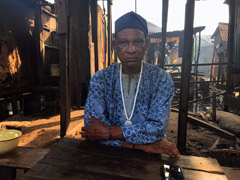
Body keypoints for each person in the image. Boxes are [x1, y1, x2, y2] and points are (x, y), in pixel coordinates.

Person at [82, 11, 180, 158]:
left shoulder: (161, 79)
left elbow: (156, 129)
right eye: (124, 42)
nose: (131, 49)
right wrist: (144, 146)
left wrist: (108, 133)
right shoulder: (101, 79)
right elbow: (93, 130)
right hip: (108, 155)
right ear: (115, 46)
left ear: (146, 44)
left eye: (138, 42)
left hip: (150, 159)